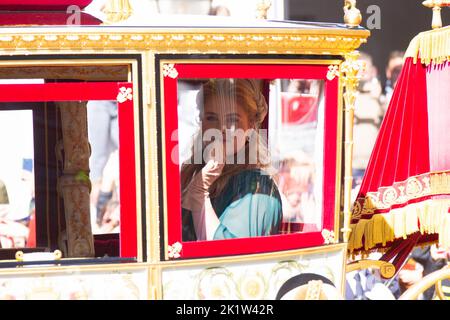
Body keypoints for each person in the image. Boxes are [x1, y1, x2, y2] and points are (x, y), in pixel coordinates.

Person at [181, 79, 283, 241]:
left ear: (250, 126)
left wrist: (199, 193)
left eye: (233, 120)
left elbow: (228, 255)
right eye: (211, 118)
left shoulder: (255, 184)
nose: (221, 128)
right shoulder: (192, 173)